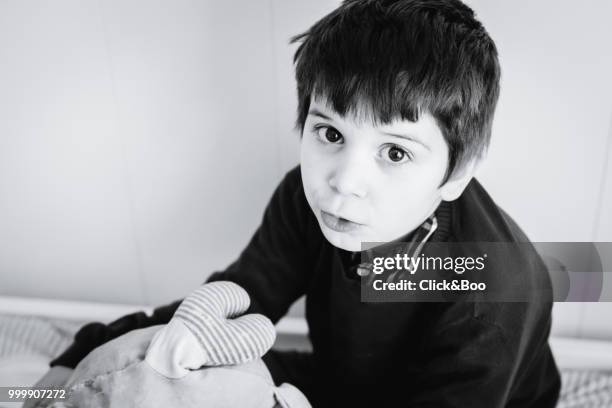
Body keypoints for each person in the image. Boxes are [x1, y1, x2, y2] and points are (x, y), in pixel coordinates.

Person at [29, 0, 561, 406]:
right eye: (329, 134)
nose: (343, 181)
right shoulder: (308, 198)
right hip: (343, 381)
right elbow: (235, 301)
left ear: (456, 173)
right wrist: (80, 358)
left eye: (395, 151)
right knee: (174, 371)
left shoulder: (494, 293)